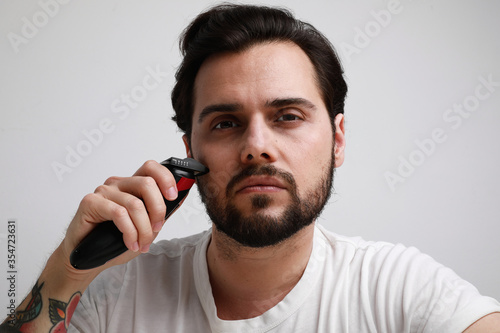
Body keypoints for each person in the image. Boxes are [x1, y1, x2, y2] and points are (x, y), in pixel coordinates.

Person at [2, 4, 500, 332]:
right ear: (188, 150)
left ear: (337, 139)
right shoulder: (115, 293)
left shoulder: (399, 290)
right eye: (225, 123)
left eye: (288, 116)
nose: (257, 147)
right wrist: (66, 271)